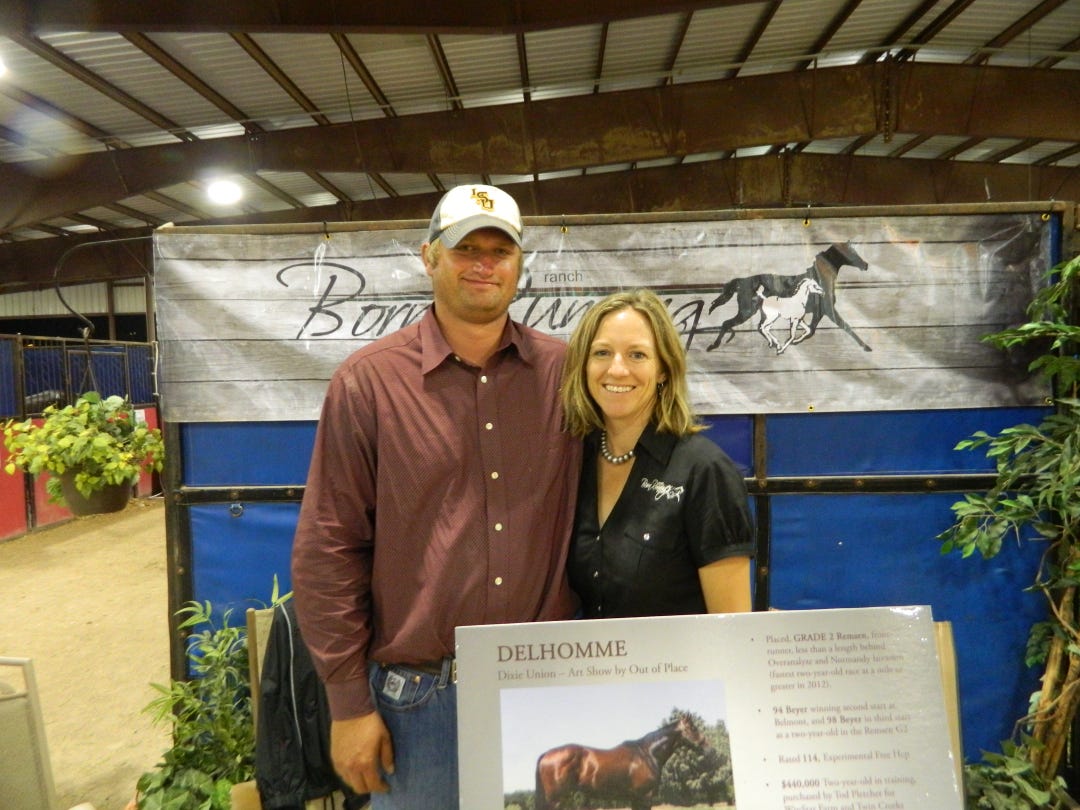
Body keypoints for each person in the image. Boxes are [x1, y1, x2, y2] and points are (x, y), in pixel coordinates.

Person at [290, 184, 582, 809]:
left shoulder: (568, 375)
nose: (484, 264)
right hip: (420, 706)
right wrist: (348, 705)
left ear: (519, 264)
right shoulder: (368, 384)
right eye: (466, 249)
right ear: (429, 257)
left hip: (547, 688)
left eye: (500, 251)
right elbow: (328, 548)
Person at [560, 288, 755, 618]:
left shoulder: (705, 471)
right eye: (602, 353)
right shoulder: (574, 461)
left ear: (663, 369)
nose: (617, 369)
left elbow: (732, 627)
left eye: (637, 355)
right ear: (584, 365)